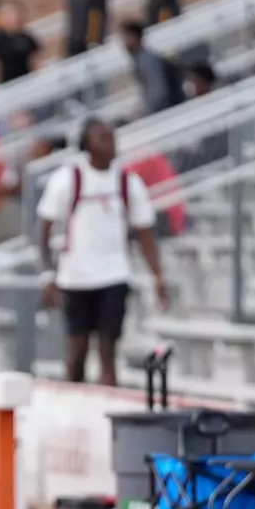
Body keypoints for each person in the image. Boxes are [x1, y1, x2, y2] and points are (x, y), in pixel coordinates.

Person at [36, 118, 168, 386]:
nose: (111, 143)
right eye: (102, 138)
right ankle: (72, 408)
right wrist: (48, 275)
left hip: (114, 274)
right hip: (76, 277)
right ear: (87, 144)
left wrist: (158, 277)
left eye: (112, 137)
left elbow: (145, 234)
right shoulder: (68, 180)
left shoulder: (127, 182)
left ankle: (106, 413)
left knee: (108, 349)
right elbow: (43, 231)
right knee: (77, 350)